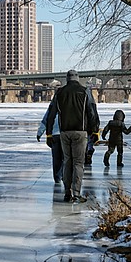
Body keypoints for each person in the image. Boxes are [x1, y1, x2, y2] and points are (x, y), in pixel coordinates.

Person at [46, 70, 100, 203]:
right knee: (78, 163)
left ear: (67, 79)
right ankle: (76, 193)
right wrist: (95, 131)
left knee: (67, 162)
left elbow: (51, 114)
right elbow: (92, 112)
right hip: (80, 132)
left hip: (64, 133)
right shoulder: (85, 91)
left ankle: (67, 192)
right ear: (78, 79)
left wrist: (48, 133)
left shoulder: (59, 92)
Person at [37, 101, 63, 184]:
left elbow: (46, 119)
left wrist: (40, 132)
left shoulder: (53, 105)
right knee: (67, 157)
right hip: (67, 133)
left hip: (54, 134)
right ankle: (65, 176)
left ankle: (57, 177)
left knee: (56, 157)